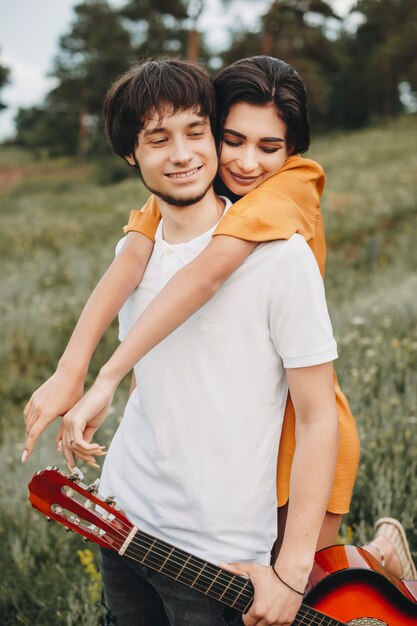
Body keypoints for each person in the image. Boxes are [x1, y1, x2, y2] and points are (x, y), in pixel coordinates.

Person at [22, 56, 415, 582]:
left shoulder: (287, 189)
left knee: (297, 586)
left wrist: (106, 375)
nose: (248, 163)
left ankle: (380, 564)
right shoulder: (190, 179)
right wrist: (72, 368)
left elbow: (205, 276)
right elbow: (133, 254)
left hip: (300, 428)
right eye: (234, 140)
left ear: (292, 150)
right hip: (239, 430)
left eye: (270, 147)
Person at [58, 57, 340, 626]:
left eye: (195, 133)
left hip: (218, 552)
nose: (187, 154)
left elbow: (318, 420)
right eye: (160, 139)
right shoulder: (134, 249)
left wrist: (289, 572)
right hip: (125, 518)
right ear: (131, 153)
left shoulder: (280, 253)